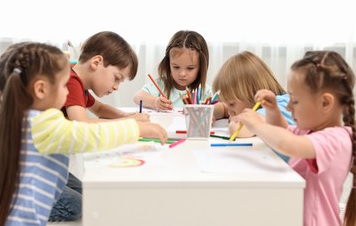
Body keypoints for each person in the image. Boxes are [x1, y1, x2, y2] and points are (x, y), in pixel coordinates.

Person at [0, 42, 167, 225]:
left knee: (86, 193)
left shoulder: (20, 117)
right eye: (64, 86)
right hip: (17, 218)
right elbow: (86, 135)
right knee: (78, 204)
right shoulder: (42, 123)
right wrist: (137, 128)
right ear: (41, 89)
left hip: (2, 211)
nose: (67, 91)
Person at [236, 51, 356, 226]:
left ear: (325, 103)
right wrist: (272, 109)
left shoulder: (336, 140)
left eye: (296, 101)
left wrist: (257, 125)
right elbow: (282, 131)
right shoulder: (311, 132)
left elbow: (287, 144)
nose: (290, 107)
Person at [50, 31, 150, 221]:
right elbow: (82, 124)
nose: (116, 87)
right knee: (76, 206)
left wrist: (128, 115)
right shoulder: (70, 81)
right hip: (28, 169)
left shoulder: (80, 85)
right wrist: (129, 123)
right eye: (117, 78)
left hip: (51, 165)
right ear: (96, 62)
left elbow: (100, 108)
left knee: (92, 194)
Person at [212, 51, 294, 162]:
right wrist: (211, 111)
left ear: (252, 93)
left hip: (291, 175)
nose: (230, 111)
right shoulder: (255, 104)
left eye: (232, 104)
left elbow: (238, 129)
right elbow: (224, 108)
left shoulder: (276, 108)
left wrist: (235, 120)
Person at [133, 30, 212, 110]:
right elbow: (137, 97)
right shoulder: (161, 85)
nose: (182, 74)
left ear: (201, 67)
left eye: (190, 68)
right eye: (176, 67)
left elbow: (220, 108)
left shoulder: (205, 91)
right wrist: (155, 102)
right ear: (168, 64)